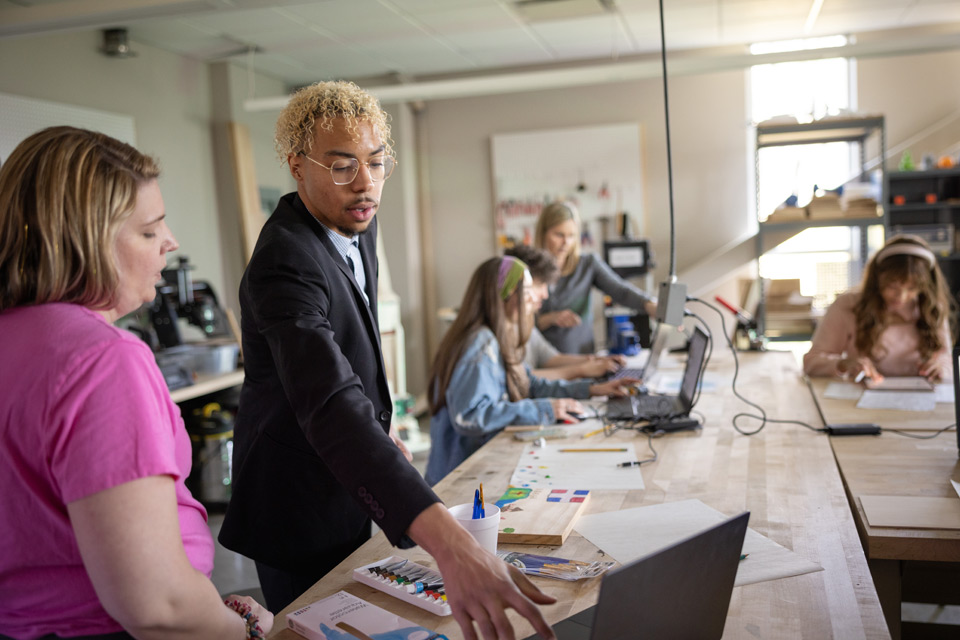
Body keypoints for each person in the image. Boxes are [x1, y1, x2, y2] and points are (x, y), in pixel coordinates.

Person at [217, 81, 558, 639]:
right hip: (297, 505)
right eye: (343, 166)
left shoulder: (357, 218)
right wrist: (452, 546)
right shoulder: (283, 263)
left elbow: (355, 350)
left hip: (355, 481)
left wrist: (383, 425)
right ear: (297, 166)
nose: (366, 183)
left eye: (377, 163)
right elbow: (329, 401)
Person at [0, 126, 273, 639]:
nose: (169, 242)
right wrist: (245, 633)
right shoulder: (102, 360)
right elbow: (158, 605)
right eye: (149, 232)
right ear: (87, 241)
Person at [424, 256, 639, 485]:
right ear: (504, 296)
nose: (536, 296)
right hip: (456, 481)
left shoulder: (499, 337)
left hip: (476, 472)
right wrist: (545, 409)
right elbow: (471, 416)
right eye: (527, 290)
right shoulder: (479, 344)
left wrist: (593, 389)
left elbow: (530, 383)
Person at [803, 234, 954, 382]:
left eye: (912, 289)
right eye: (892, 286)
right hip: (859, 397)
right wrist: (842, 364)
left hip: (922, 397)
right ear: (876, 279)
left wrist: (940, 368)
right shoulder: (847, 305)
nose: (901, 296)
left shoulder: (931, 309)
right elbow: (811, 362)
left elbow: (947, 359)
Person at [534, 201, 657, 355]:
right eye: (559, 235)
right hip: (543, 364)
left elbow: (620, 291)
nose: (566, 243)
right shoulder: (529, 269)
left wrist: (649, 304)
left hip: (583, 360)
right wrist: (550, 318)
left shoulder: (587, 264)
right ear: (543, 233)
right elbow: (517, 325)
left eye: (571, 235)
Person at [504, 244, 625, 380]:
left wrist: (596, 361)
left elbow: (551, 358)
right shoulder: (497, 332)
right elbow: (519, 378)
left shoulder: (525, 323)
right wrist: (581, 370)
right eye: (539, 285)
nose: (545, 295)